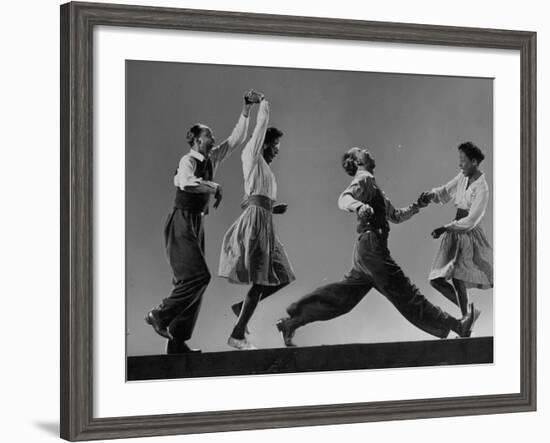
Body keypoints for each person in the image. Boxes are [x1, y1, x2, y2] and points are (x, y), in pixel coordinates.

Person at [276, 147, 475, 347]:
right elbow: (343, 199)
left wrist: (418, 205)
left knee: (342, 299)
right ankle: (458, 326)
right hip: (372, 249)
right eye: (361, 151)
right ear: (357, 161)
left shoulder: (373, 185)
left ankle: (291, 323)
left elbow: (396, 216)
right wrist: (359, 206)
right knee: (405, 292)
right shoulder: (363, 180)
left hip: (366, 251)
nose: (367, 150)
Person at [145, 90, 262, 354]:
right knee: (198, 277)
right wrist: (214, 187)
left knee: (192, 282)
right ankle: (159, 315)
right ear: (198, 140)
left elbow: (236, 139)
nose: (213, 137)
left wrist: (246, 110)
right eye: (208, 135)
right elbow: (185, 182)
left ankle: (177, 342)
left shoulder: (211, 158)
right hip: (180, 222)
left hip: (196, 224)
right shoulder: (188, 160)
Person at [219, 95, 296, 350]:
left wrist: (273, 207)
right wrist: (262, 102)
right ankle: (237, 334)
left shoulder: (265, 170)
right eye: (274, 146)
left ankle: (242, 309)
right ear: (264, 144)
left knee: (283, 275)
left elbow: (250, 197)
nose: (276, 151)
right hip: (255, 226)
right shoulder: (251, 155)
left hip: (265, 224)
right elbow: (260, 126)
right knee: (261, 281)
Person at [419, 141, 492, 333]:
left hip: (467, 234)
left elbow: (472, 220)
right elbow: (445, 191)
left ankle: (466, 321)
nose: (460, 165)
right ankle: (469, 313)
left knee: (458, 278)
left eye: (464, 161)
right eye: (460, 161)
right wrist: (430, 195)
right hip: (453, 232)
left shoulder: (482, 188)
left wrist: (445, 228)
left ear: (474, 162)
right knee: (436, 279)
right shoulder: (462, 177)